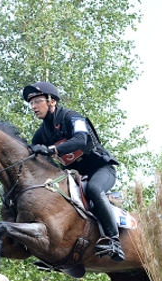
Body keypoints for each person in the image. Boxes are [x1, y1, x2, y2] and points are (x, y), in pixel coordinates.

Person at [22, 81, 124, 262]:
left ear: (51, 101)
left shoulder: (72, 118)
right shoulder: (41, 133)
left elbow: (81, 139)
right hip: (74, 177)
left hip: (100, 169)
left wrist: (53, 150)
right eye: (31, 103)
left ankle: (113, 240)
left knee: (94, 189)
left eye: (37, 101)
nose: (33, 107)